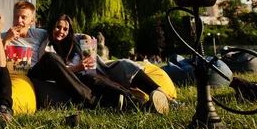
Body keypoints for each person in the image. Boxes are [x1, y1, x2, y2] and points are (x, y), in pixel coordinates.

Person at [32, 14, 175, 114]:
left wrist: (86, 37)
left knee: (125, 66)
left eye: (65, 29)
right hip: (78, 80)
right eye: (58, 27)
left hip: (93, 73)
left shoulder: (73, 41)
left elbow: (81, 37)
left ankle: (164, 98)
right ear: (51, 26)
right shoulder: (47, 47)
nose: (61, 32)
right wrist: (77, 68)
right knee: (97, 83)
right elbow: (53, 70)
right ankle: (140, 105)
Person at [2, 1, 49, 76]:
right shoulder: (2, 37)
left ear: (31, 21)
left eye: (23, 17)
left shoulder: (40, 34)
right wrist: (6, 41)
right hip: (12, 76)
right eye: (16, 17)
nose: (19, 21)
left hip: (35, 75)